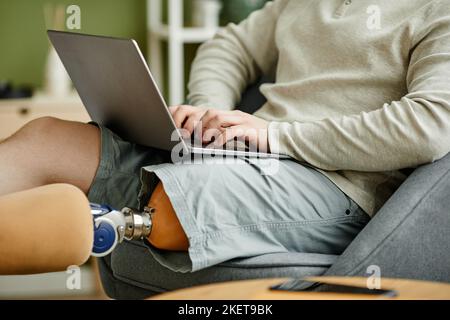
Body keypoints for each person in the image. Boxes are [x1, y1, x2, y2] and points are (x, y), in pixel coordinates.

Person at [1, 0, 449, 274]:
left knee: (173, 208)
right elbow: (229, 45)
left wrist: (277, 137)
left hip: (331, 182)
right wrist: (207, 113)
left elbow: (430, 125)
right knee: (46, 140)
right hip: (244, 154)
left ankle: (104, 219)